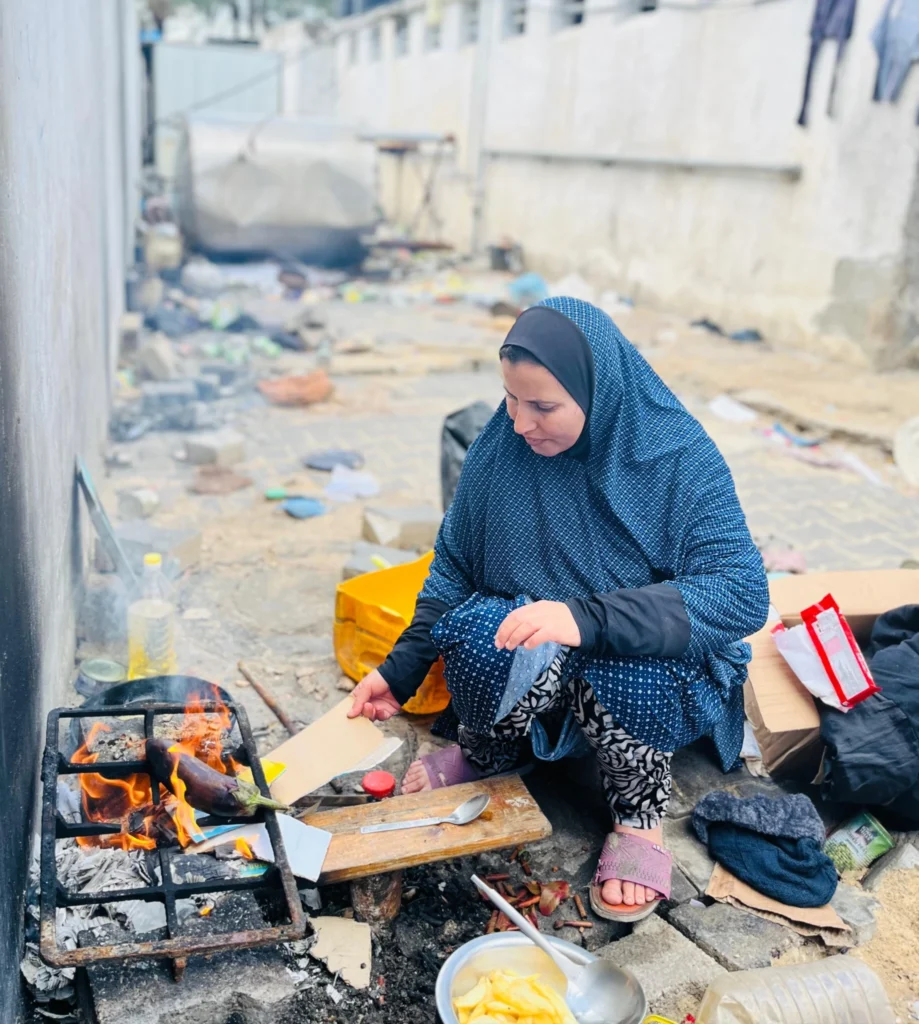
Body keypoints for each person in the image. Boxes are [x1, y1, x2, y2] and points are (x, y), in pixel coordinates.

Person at [348, 297, 769, 922]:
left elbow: (740, 591)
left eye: (543, 406)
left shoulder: (675, 458)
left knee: (628, 662)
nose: (520, 422)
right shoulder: (503, 445)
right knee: (483, 631)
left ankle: (636, 817)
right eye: (511, 399)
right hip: (540, 649)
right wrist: (401, 669)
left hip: (633, 664)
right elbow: (456, 564)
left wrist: (587, 619)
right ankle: (489, 755)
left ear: (598, 392)